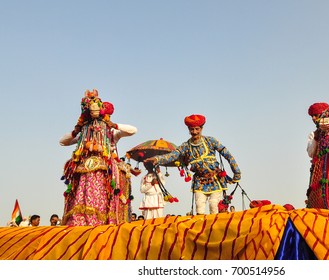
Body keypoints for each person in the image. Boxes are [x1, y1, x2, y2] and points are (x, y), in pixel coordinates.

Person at [59, 89, 137, 226]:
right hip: (86, 167)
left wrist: (114, 125)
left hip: (106, 167)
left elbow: (133, 130)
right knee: (81, 191)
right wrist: (76, 130)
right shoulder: (85, 132)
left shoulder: (113, 131)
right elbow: (62, 141)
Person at [144, 114, 241, 215]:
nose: (194, 132)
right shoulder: (186, 146)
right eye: (192, 129)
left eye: (197, 129)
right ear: (188, 130)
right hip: (199, 181)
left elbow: (228, 155)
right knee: (199, 208)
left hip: (215, 179)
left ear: (201, 128)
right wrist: (157, 159)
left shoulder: (211, 141)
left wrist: (236, 172)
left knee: (213, 206)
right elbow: (173, 155)